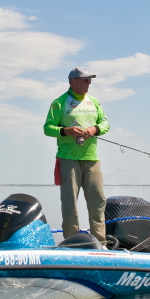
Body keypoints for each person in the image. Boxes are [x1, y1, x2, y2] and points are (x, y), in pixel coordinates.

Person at [43, 67, 110, 244]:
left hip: (91, 158)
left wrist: (94, 129)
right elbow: (48, 128)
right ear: (73, 81)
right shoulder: (59, 102)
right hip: (67, 158)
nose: (89, 83)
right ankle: (72, 243)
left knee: (98, 202)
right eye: (85, 80)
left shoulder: (94, 101)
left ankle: (100, 244)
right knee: (70, 203)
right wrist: (67, 131)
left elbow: (105, 124)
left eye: (90, 80)